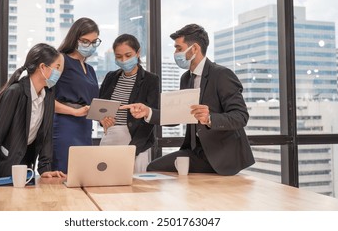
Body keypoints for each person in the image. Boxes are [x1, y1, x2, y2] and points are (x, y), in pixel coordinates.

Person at [122, 24, 255, 176]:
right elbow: (177, 115)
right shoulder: (186, 78)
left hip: (220, 154)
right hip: (195, 152)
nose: (175, 53)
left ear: (194, 49)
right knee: (154, 167)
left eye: (179, 48)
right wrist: (148, 112)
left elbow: (241, 116)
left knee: (157, 168)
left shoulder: (222, 75)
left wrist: (210, 118)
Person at [0, 43, 66, 180]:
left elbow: (46, 135)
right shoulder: (15, 92)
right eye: (57, 67)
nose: (59, 73)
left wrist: (45, 169)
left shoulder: (48, 94)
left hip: (26, 170)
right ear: (42, 67)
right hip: (2, 169)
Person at [99, 34, 159, 173]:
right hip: (110, 137)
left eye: (128, 55)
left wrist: (133, 149)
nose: (124, 60)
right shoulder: (110, 77)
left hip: (136, 141)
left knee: (135, 189)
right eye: (119, 57)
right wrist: (103, 121)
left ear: (138, 53)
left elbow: (151, 118)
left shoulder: (151, 80)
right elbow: (100, 107)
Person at [52, 17, 100, 173]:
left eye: (94, 42)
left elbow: (93, 103)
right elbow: (46, 100)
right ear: (74, 38)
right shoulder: (61, 60)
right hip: (65, 126)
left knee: (83, 175)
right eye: (85, 41)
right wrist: (74, 111)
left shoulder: (90, 70)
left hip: (85, 127)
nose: (89, 46)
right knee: (64, 174)